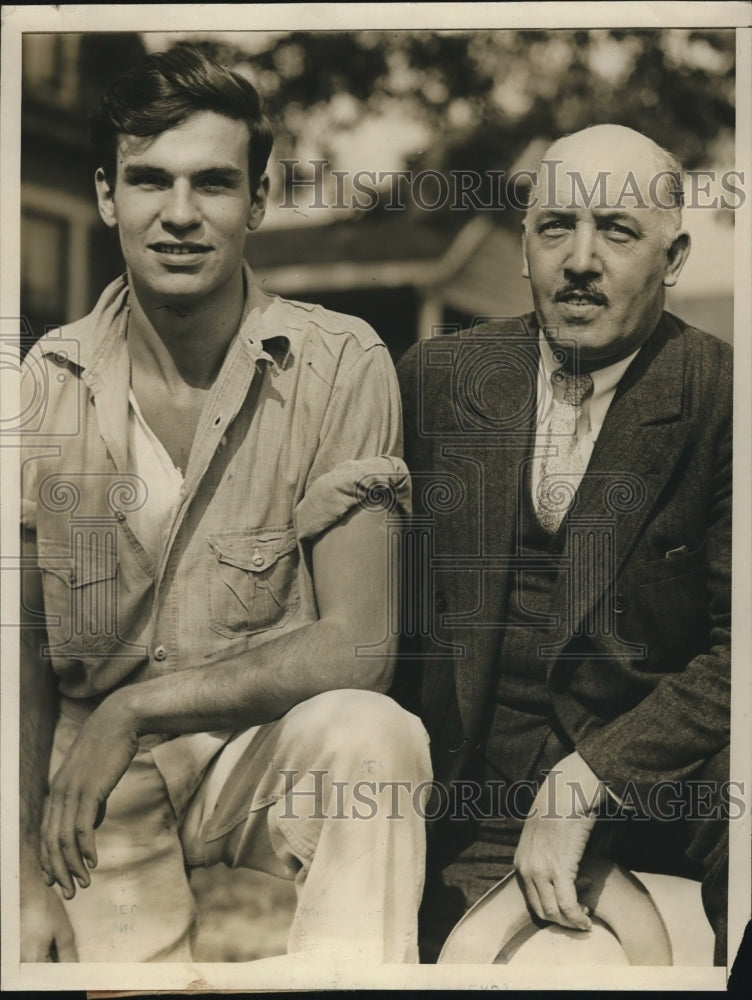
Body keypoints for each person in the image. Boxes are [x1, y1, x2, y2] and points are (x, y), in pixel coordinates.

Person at [19, 45, 431, 964]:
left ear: (258, 199)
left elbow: (359, 645)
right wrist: (17, 870)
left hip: (257, 744)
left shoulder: (340, 362)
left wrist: (137, 709)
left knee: (373, 738)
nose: (179, 214)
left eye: (212, 182)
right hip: (93, 778)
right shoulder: (44, 382)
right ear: (105, 196)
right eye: (148, 180)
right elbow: (20, 650)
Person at [397, 124, 731, 965]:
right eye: (556, 228)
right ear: (524, 247)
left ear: (673, 257)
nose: (581, 260)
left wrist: (594, 775)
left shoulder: (726, 400)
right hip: (469, 814)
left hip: (659, 806)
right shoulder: (439, 381)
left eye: (617, 231)